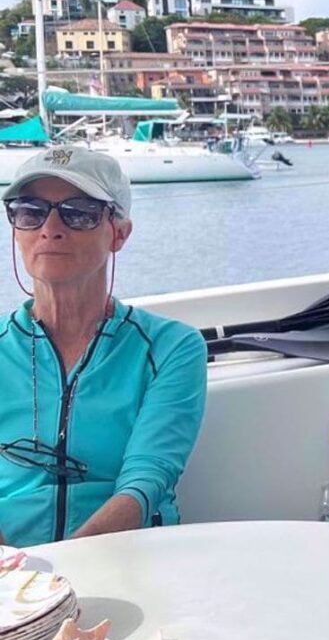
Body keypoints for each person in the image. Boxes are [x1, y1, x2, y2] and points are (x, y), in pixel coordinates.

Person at [0, 147, 206, 547]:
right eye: (30, 210)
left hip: (130, 556)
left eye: (79, 212)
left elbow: (146, 480)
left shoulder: (171, 348)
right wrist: (14, 576)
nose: (51, 228)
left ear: (119, 233)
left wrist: (67, 571)